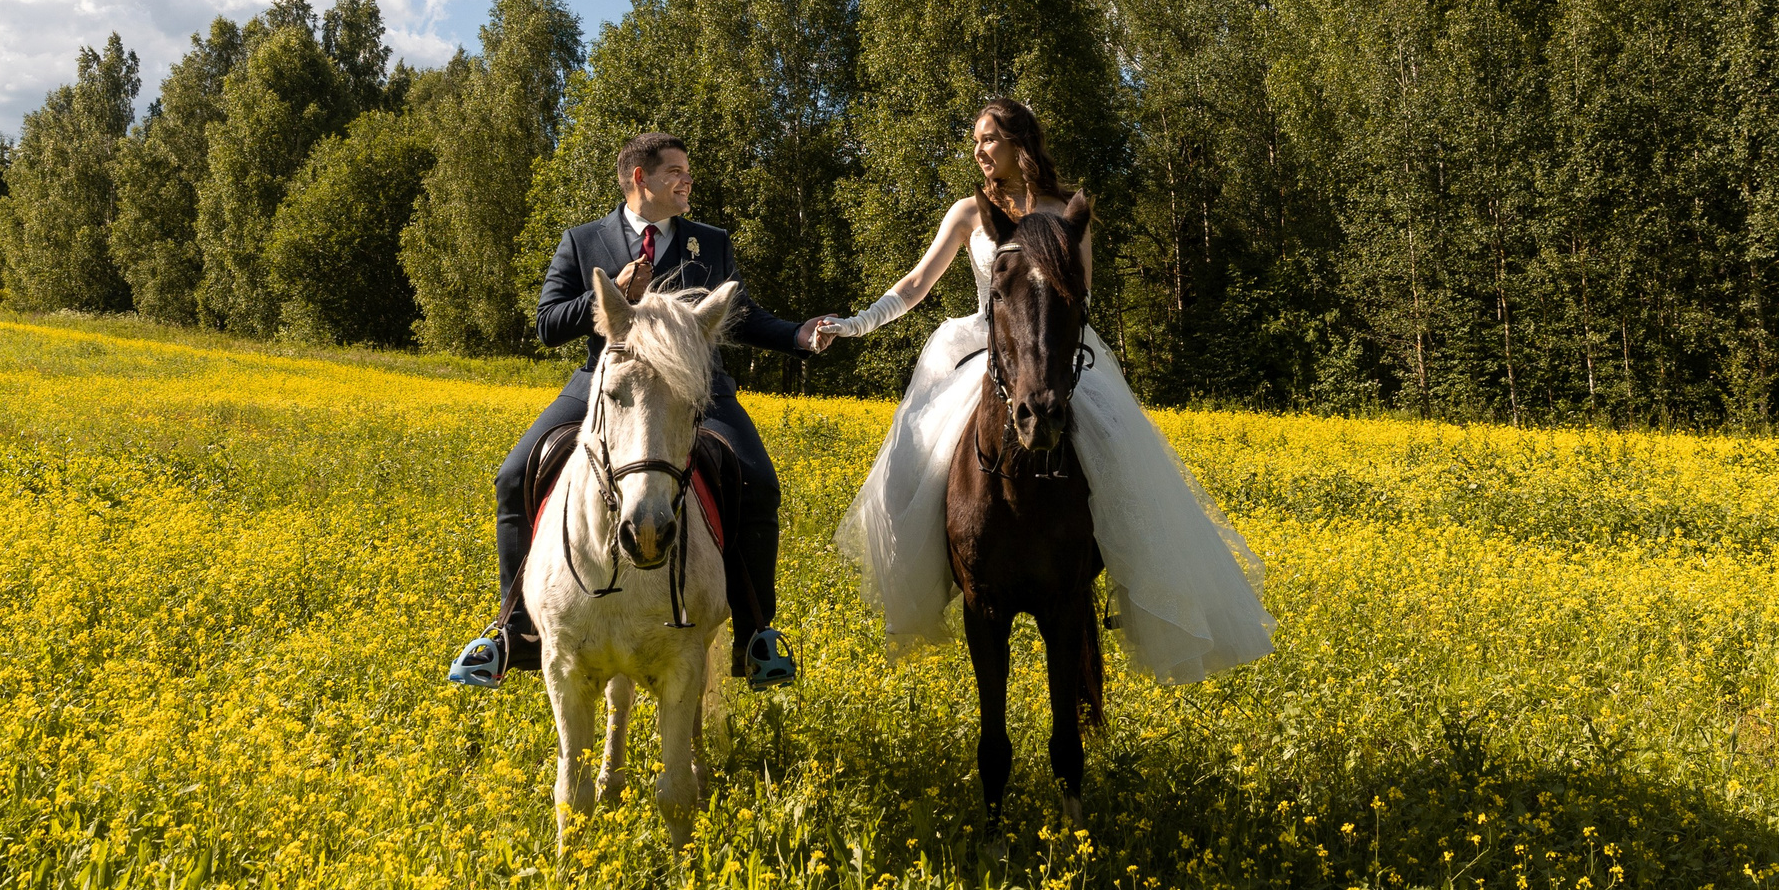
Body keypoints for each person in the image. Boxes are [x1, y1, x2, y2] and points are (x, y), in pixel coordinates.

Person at [814, 97, 1273, 685]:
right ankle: (935, 569)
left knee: (1123, 463)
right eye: (976, 141)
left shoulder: (1063, 211)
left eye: (988, 139)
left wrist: (1048, 356)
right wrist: (854, 323)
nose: (979, 151)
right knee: (915, 455)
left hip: (1052, 352)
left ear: (1017, 141)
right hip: (982, 348)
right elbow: (915, 285)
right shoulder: (966, 213)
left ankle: (1119, 576)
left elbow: (1080, 298)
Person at [448, 131, 823, 689]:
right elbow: (547, 323)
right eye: (675, 171)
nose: (687, 181)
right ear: (639, 179)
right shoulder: (583, 241)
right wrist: (608, 294)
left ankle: (755, 636)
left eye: (688, 172)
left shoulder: (709, 243)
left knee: (760, 483)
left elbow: (740, 316)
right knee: (511, 476)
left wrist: (797, 335)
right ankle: (513, 631)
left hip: (697, 390)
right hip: (606, 385)